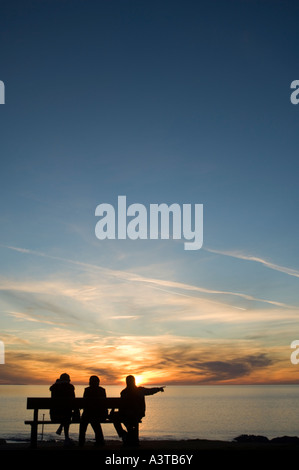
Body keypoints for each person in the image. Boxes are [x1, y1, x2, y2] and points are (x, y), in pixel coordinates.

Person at [113, 375, 164, 446]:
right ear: (134, 382)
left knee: (115, 417)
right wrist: (159, 389)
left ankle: (124, 435)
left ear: (126, 382)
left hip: (127, 414)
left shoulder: (123, 392)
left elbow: (121, 406)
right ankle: (130, 438)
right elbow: (150, 391)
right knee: (129, 421)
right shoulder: (140, 390)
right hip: (138, 413)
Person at [79, 375, 107, 447]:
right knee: (95, 421)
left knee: (84, 423)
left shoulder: (87, 390)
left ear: (90, 382)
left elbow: (84, 404)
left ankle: (81, 442)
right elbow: (104, 405)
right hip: (100, 414)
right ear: (98, 382)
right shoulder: (102, 390)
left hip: (88, 414)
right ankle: (100, 441)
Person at [49, 373, 75, 446]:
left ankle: (61, 427)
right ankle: (66, 438)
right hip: (66, 415)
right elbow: (74, 401)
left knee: (65, 412)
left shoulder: (54, 387)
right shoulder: (70, 387)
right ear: (68, 379)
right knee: (67, 413)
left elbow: (51, 389)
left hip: (54, 415)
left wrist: (56, 383)